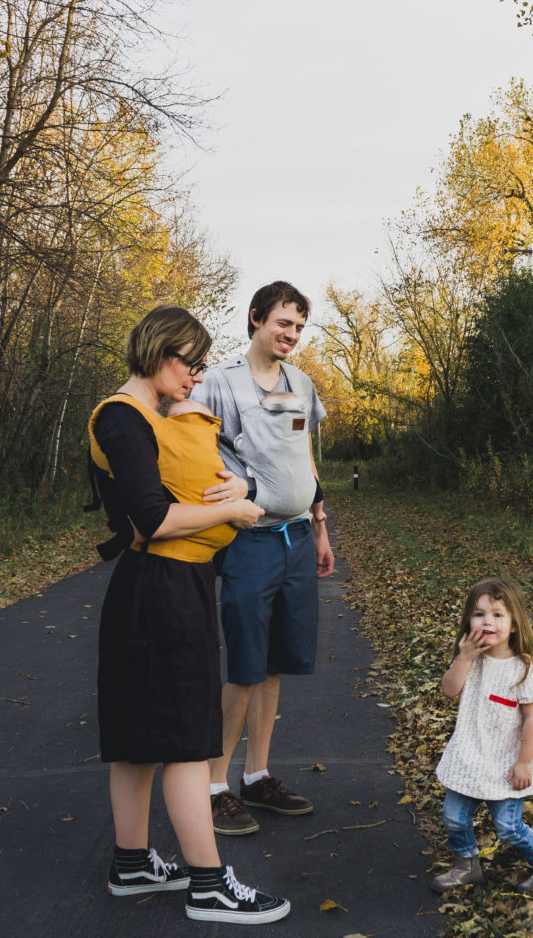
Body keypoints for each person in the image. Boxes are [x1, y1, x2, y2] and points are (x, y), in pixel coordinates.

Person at [89, 304, 290, 924]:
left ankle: (131, 863)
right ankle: (208, 884)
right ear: (159, 351)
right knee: (181, 737)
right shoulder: (125, 418)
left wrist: (230, 490)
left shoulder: (145, 415)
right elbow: (153, 518)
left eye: (203, 366)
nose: (198, 378)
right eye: (192, 363)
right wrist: (234, 512)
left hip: (157, 585)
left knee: (139, 739)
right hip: (163, 587)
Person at [191, 281, 334, 835]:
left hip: (297, 538)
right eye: (282, 323)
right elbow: (189, 450)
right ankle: (212, 786)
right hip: (248, 541)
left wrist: (321, 527)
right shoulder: (220, 383)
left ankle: (257, 777)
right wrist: (234, 489)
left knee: (275, 663)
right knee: (246, 664)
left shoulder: (301, 384)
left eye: (298, 327)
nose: (291, 335)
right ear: (255, 318)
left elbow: (304, 457)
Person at [432, 578, 533, 894]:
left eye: (498, 615)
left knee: (507, 827)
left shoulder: (525, 669)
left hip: (507, 761)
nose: (487, 621)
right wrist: (463, 657)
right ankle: (467, 865)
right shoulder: (472, 660)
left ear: (515, 624)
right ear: (468, 621)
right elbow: (448, 691)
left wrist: (524, 763)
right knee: (453, 816)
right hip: (471, 754)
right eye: (479, 614)